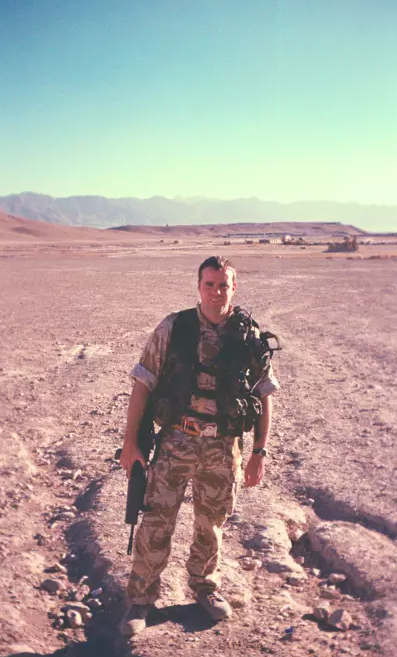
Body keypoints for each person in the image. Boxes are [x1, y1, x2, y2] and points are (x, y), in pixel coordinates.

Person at [118, 256, 279, 637]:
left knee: (212, 525)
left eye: (223, 285)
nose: (216, 292)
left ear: (234, 287)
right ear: (199, 286)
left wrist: (259, 452)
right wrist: (130, 442)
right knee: (157, 521)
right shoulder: (174, 328)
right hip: (176, 441)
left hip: (224, 448)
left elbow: (265, 395)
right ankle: (141, 600)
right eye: (209, 284)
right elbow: (143, 383)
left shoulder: (248, 334)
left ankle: (205, 587)